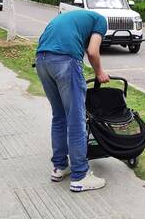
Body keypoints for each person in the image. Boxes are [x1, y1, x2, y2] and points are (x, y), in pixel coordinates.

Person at [35, 10, 110, 192]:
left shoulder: (74, 17)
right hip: (65, 61)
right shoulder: (101, 21)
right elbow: (92, 51)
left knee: (59, 116)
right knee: (76, 119)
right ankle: (80, 175)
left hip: (42, 60)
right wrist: (99, 72)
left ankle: (60, 167)